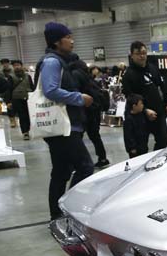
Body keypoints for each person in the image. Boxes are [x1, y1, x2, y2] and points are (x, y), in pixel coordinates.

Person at [35, 22, 94, 220]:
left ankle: (57, 214)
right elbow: (50, 90)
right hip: (64, 127)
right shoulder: (52, 62)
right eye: (68, 37)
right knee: (85, 166)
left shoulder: (60, 61)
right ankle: (68, 207)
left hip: (64, 126)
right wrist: (79, 97)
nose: (72, 40)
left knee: (61, 171)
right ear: (56, 41)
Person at [122, 41, 167, 150]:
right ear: (132, 55)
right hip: (140, 116)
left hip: (158, 112)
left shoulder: (153, 68)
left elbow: (161, 85)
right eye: (138, 54)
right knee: (141, 147)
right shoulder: (128, 75)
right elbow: (130, 97)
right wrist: (145, 110)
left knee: (163, 141)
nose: (142, 56)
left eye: (144, 53)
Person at [68, 56, 110, 167]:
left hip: (85, 109)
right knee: (94, 135)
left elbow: (75, 91)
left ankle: (77, 163)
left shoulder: (74, 73)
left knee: (78, 136)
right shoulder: (84, 73)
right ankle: (102, 158)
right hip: (94, 108)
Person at [9, 60, 33, 140]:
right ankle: (25, 132)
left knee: (29, 115)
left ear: (21, 65)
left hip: (28, 98)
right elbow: (9, 90)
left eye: (18, 65)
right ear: (13, 67)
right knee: (22, 115)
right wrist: (9, 101)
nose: (17, 66)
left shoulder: (28, 76)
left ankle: (28, 130)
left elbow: (32, 87)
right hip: (17, 99)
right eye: (15, 65)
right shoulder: (11, 77)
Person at [123, 93, 149, 158]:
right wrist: (132, 148)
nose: (143, 106)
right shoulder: (129, 119)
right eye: (141, 104)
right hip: (135, 150)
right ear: (134, 106)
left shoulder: (141, 115)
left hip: (143, 146)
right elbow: (128, 135)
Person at [0, 58, 15, 128]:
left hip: (14, 91)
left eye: (6, 63)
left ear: (9, 63)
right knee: (9, 105)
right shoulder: (0, 74)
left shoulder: (14, 71)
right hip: (5, 92)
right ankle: (12, 120)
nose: (5, 65)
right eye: (3, 63)